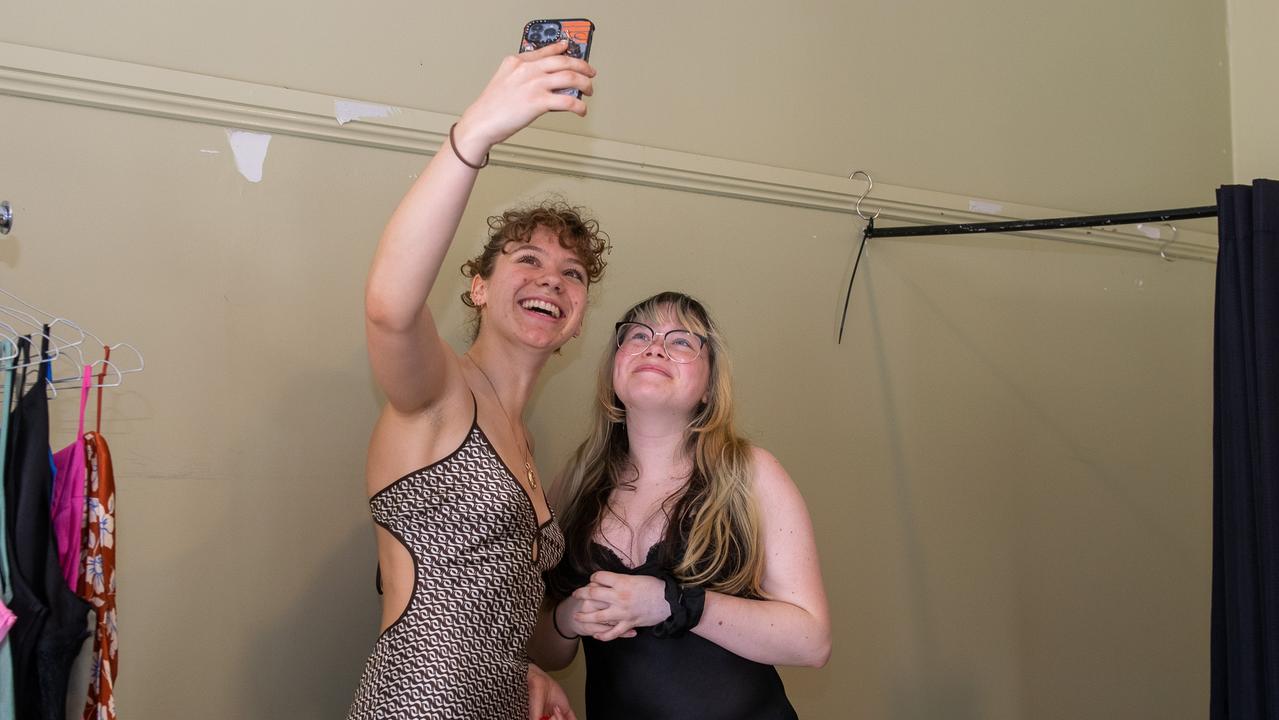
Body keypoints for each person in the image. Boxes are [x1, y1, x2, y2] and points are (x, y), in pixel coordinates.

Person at [347, 40, 605, 720]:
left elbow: (501, 618)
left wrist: (523, 674)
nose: (551, 278)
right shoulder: (437, 395)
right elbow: (389, 308)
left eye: (572, 273)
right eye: (527, 259)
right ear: (479, 287)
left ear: (577, 320)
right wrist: (474, 137)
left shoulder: (523, 440)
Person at [531, 291, 831, 718]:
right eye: (637, 335)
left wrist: (672, 604)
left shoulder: (750, 474)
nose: (654, 346)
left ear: (709, 387)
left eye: (682, 341)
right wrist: (567, 617)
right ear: (614, 368)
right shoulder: (574, 482)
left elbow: (812, 642)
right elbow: (545, 650)